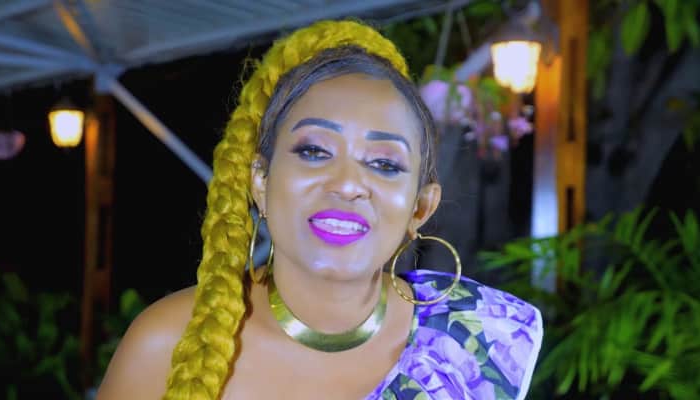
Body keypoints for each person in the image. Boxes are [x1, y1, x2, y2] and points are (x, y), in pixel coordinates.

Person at [97, 20, 542, 400]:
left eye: (384, 164)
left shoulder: (476, 344)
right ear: (261, 182)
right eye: (314, 151)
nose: (347, 184)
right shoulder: (164, 345)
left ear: (420, 208)